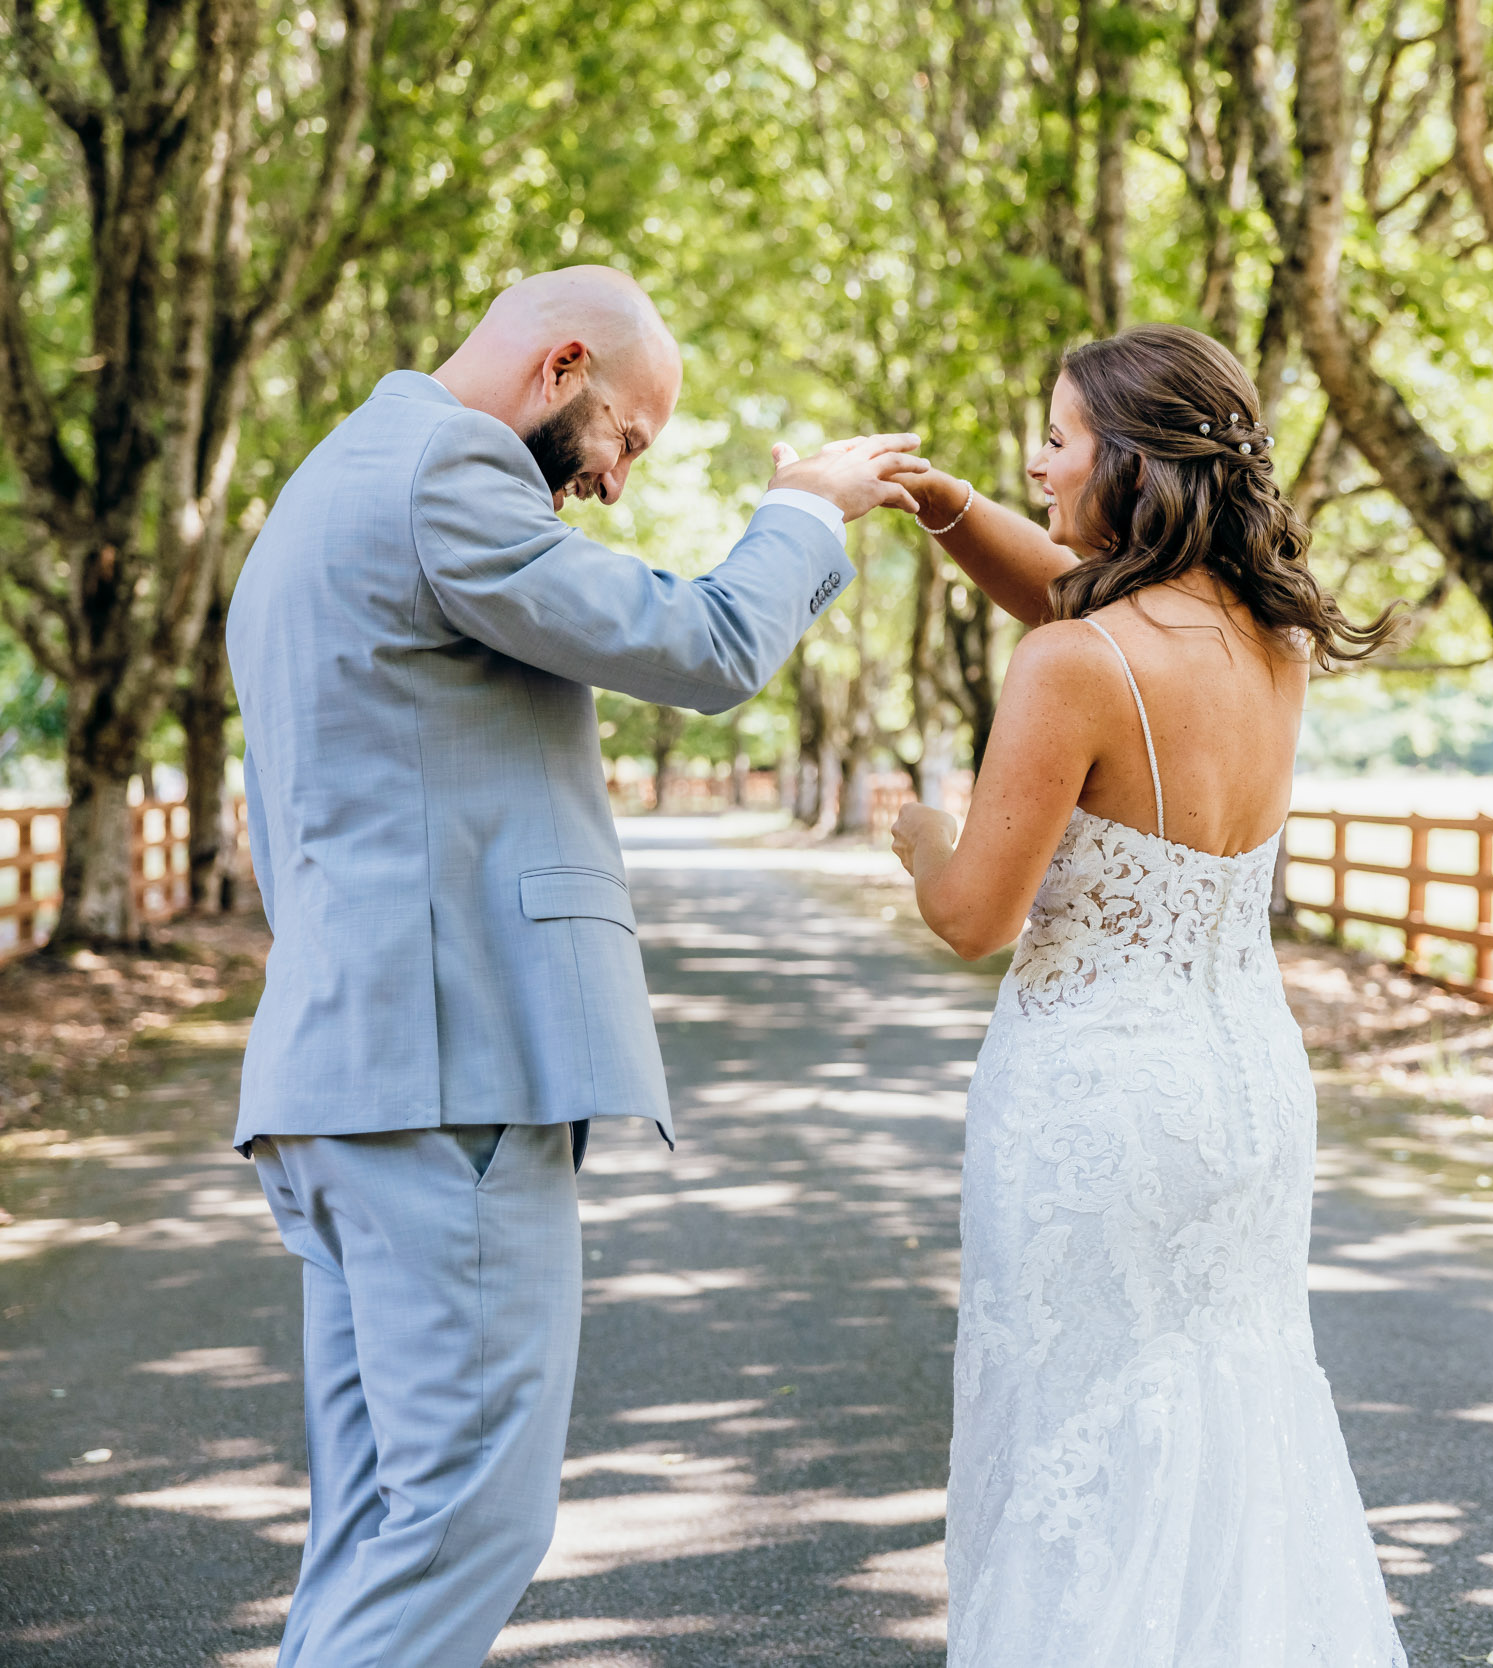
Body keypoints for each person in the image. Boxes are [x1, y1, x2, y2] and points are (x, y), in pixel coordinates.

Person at [224, 266, 970, 1668]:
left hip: (340, 1082)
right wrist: (806, 506)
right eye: (628, 436)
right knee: (466, 1526)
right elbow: (705, 644)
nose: (619, 482)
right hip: (447, 1083)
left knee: (380, 1527)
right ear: (563, 364)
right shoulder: (445, 474)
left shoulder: (329, 477)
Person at [887, 323, 1411, 1666]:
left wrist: (917, 837)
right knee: (1228, 1421)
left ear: (1128, 463)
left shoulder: (1077, 663)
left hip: (1099, 1109)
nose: (1036, 461)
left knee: (1077, 1435)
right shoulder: (1269, 644)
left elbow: (971, 919)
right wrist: (944, 505)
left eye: (1057, 440)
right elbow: (1069, 591)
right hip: (1245, 1098)